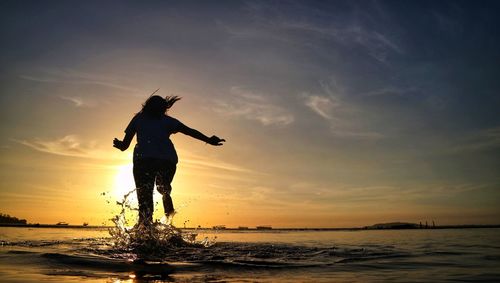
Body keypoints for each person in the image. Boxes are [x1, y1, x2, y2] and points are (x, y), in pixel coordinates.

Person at [113, 95, 225, 226]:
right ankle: (168, 221)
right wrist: (209, 140)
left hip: (146, 161)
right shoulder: (166, 121)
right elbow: (189, 131)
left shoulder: (141, 119)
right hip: (163, 160)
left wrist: (119, 145)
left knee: (145, 198)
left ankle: (147, 230)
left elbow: (125, 146)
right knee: (162, 190)